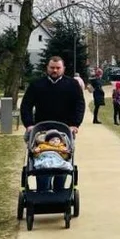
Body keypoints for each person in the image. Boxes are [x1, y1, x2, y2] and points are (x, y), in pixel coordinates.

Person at [20, 56, 85, 191]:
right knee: (42, 161)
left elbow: (79, 105)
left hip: (65, 131)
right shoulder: (37, 85)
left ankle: (59, 193)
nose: (55, 70)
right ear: (47, 68)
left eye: (58, 68)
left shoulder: (72, 85)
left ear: (63, 69)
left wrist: (75, 124)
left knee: (63, 159)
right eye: (52, 68)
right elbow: (26, 105)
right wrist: (29, 124)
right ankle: (43, 193)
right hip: (41, 131)